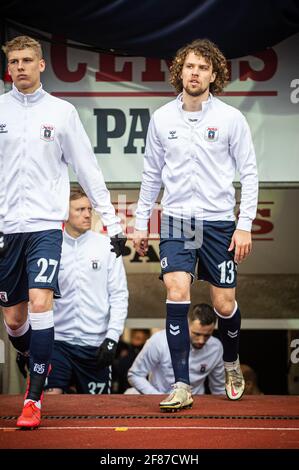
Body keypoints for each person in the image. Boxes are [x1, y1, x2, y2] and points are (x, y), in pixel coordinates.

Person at [0, 36, 126, 428]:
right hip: (6, 227)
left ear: (41, 65)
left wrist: (114, 220)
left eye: (27, 60)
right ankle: (31, 354)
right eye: (14, 61)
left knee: (41, 301)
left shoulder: (62, 112)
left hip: (43, 226)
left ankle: (33, 399)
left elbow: (87, 169)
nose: (20, 66)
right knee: (14, 317)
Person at [133, 39, 258, 411]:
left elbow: (249, 174)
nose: (195, 73)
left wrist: (245, 224)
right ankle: (182, 383)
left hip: (219, 222)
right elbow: (151, 175)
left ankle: (231, 362)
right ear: (179, 71)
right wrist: (141, 223)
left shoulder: (231, 118)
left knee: (224, 303)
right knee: (175, 290)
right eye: (189, 66)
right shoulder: (162, 118)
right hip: (177, 220)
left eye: (203, 67)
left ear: (214, 75)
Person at [44, 187, 128, 395]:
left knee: (97, 411)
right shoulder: (49, 247)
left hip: (96, 345)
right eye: (80, 209)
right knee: (52, 401)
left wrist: (112, 338)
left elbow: (119, 295)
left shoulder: (107, 246)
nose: (88, 214)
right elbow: (35, 296)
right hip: (57, 343)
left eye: (89, 209)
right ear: (65, 212)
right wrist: (28, 342)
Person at [127, 304, 224, 401]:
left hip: (195, 403)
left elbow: (219, 388)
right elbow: (135, 374)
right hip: (160, 400)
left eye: (207, 335)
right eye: (197, 334)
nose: (201, 340)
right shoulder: (159, 341)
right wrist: (158, 398)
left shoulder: (216, 348)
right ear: (186, 324)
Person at [112, 328, 151, 393]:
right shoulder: (125, 352)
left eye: (138, 338)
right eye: (134, 335)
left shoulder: (148, 353)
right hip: (125, 390)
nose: (136, 336)